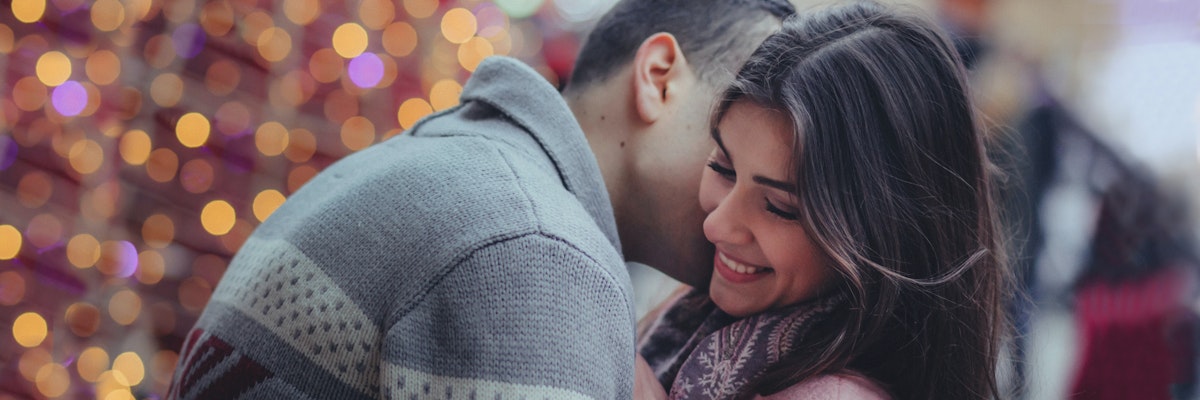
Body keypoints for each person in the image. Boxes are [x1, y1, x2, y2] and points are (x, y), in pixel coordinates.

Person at [166, 1, 796, 399]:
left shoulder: (449, 165)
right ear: (659, 78)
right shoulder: (533, 246)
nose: (745, 201)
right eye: (731, 142)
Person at [636, 2, 1011, 399]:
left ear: (884, 234)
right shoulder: (698, 313)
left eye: (779, 207)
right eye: (724, 168)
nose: (716, 225)